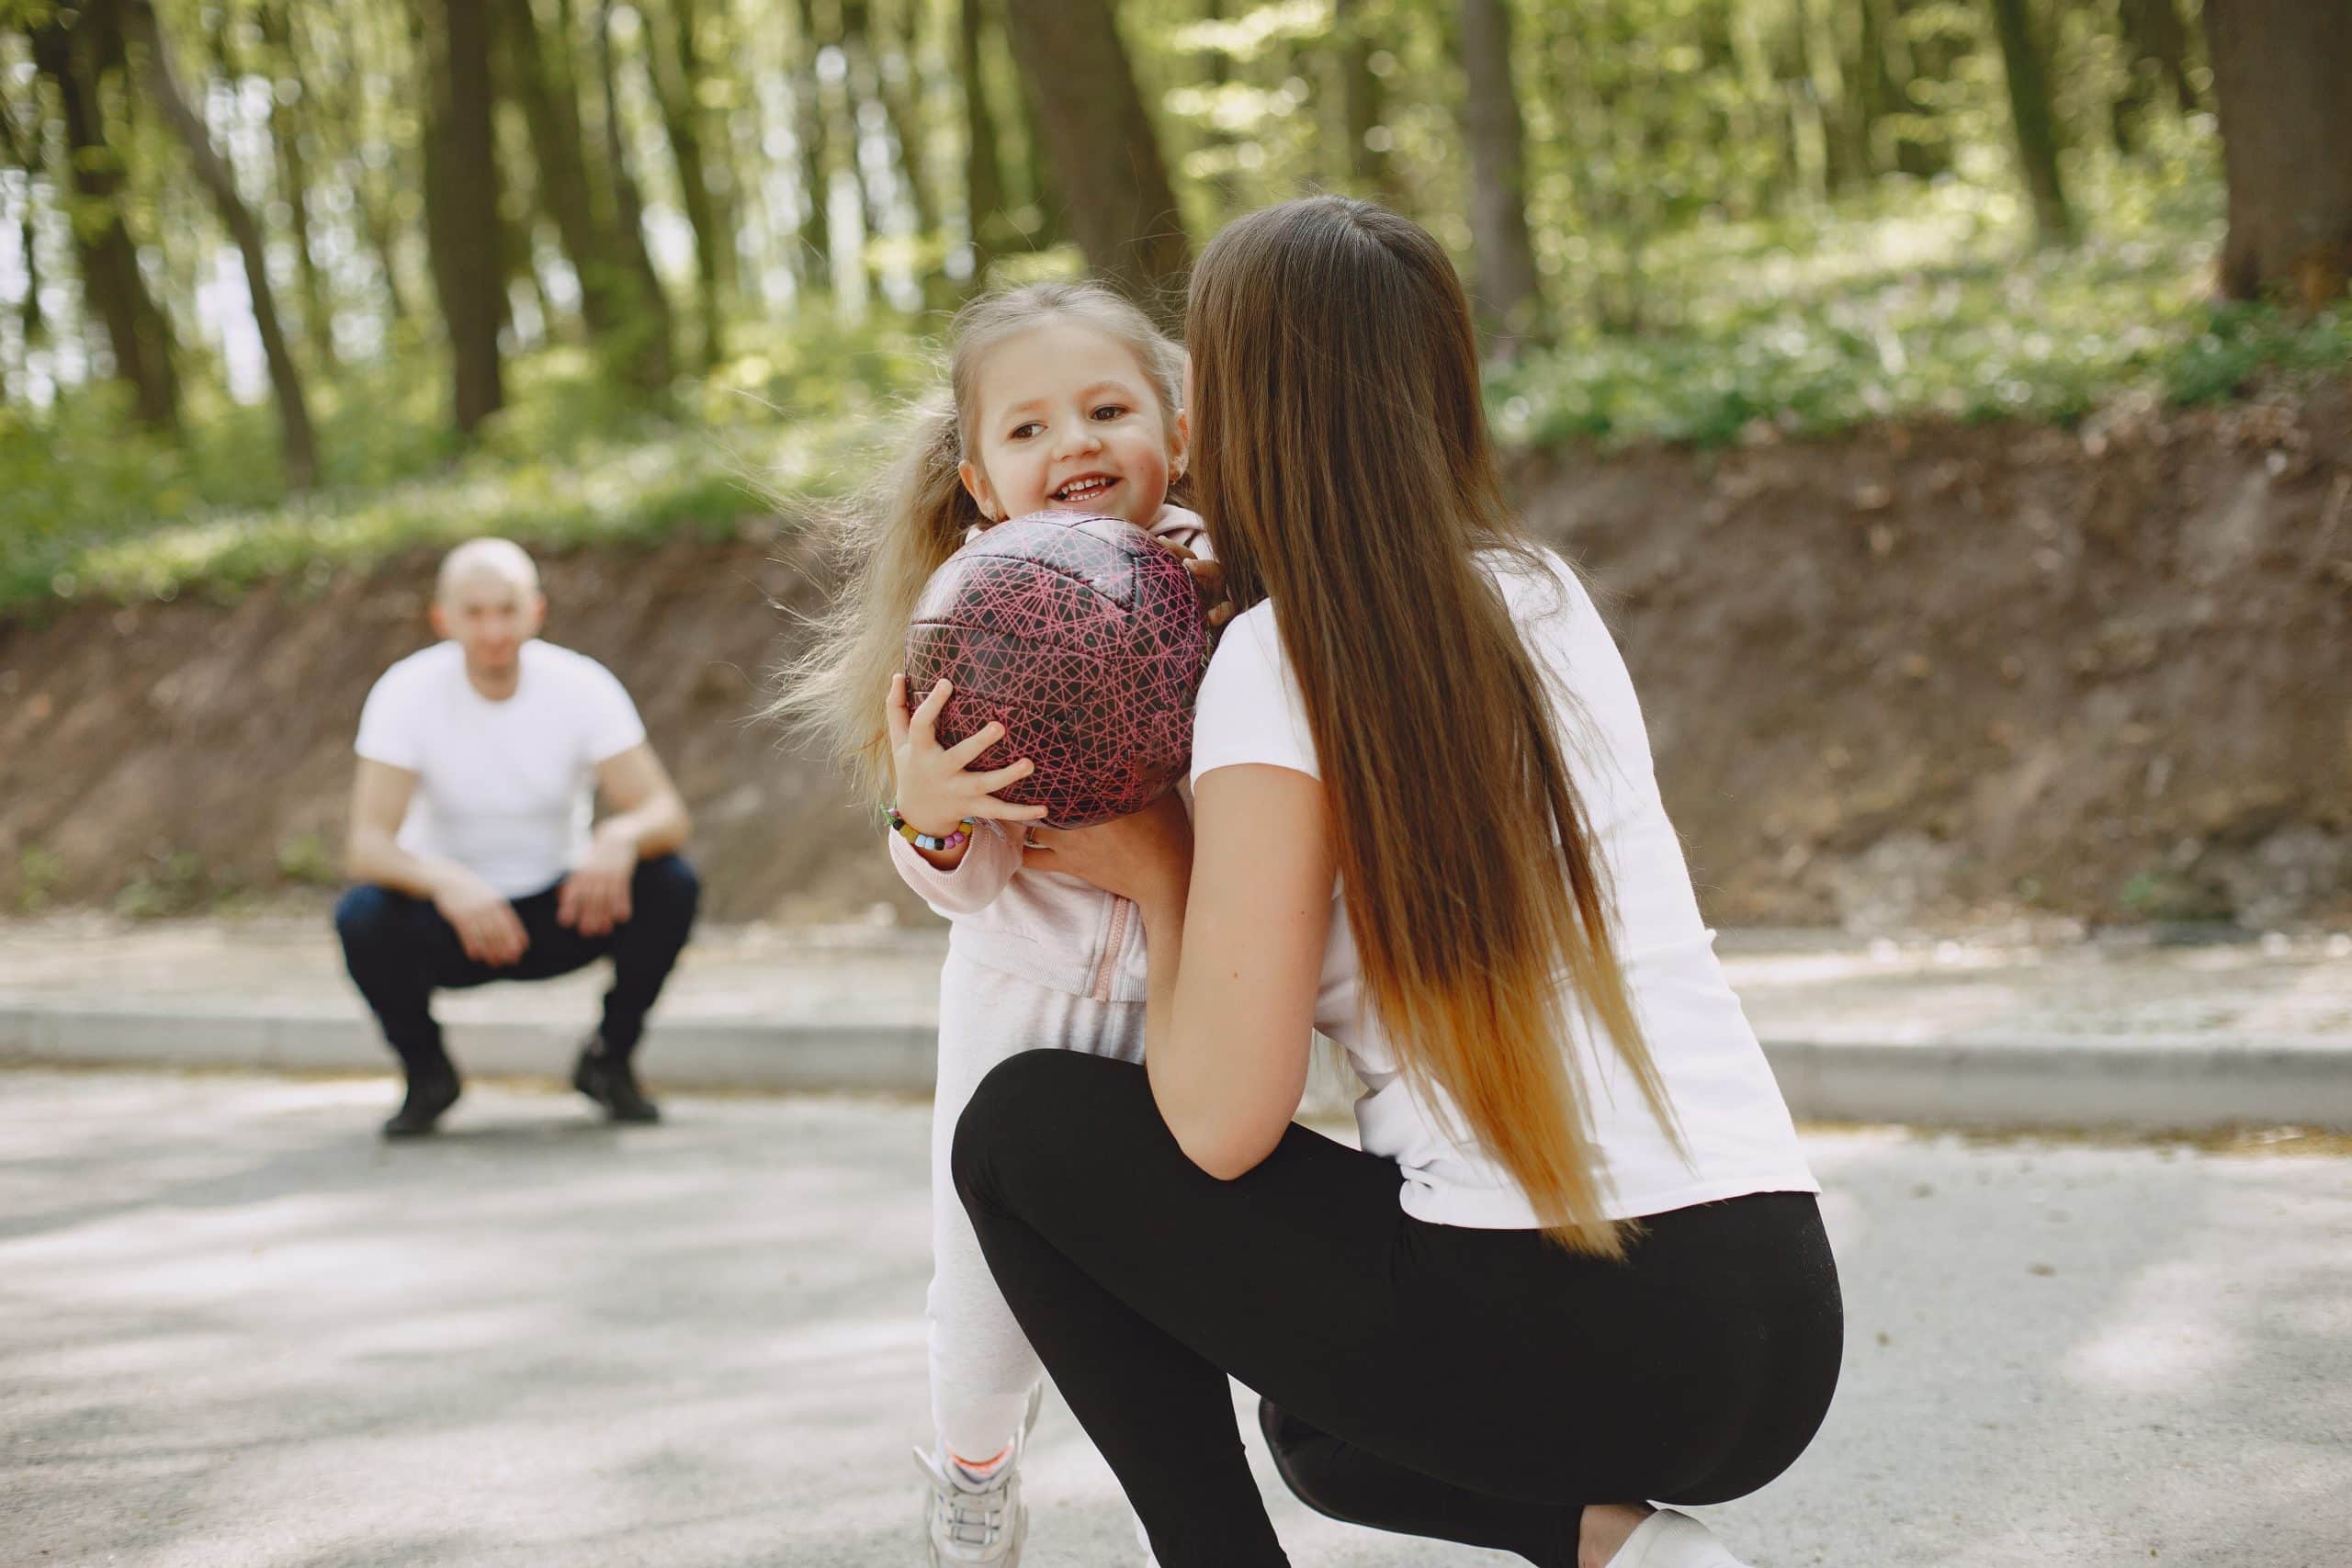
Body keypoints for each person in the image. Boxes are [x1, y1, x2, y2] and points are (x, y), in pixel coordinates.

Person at [947, 198, 1844, 1568]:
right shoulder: (1540, 593)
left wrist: (1161, 871)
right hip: (1778, 1318)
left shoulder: (1275, 662)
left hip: (1574, 1321)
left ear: (1232, 415)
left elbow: (1220, 1126)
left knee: (1020, 1131)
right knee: (1328, 1432)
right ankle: (1639, 1553)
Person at [775, 280, 1225, 1567]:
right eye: (1027, 430)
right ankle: (973, 1465)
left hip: (1199, 994)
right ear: (978, 480)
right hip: (1020, 1004)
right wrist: (929, 815)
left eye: (1106, 408)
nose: (1072, 442)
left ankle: (1188, 1519)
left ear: (1177, 437)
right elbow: (967, 879)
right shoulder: (973, 618)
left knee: (1183, 1309)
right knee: (986, 1314)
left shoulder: (1229, 584)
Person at [335, 536, 698, 1139]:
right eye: (474, 612)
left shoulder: (581, 685)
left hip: (564, 909)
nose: (493, 628)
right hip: (454, 922)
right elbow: (366, 844)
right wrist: (444, 879)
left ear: (536, 610)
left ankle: (609, 1059)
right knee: (362, 916)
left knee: (671, 882)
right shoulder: (405, 691)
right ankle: (427, 1073)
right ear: (442, 618)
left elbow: (667, 811)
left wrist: (620, 835)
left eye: (506, 609)